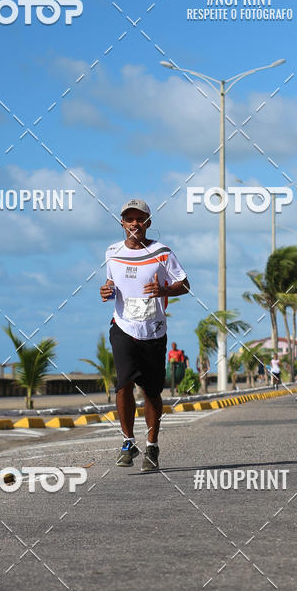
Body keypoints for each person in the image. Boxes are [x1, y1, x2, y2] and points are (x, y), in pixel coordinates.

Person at [100, 199, 190, 471]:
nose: (134, 224)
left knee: (151, 391)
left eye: (140, 219)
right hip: (124, 326)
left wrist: (164, 291)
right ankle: (128, 441)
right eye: (129, 219)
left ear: (148, 223)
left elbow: (184, 284)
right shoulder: (112, 253)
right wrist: (106, 291)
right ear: (122, 223)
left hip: (153, 330)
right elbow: (111, 284)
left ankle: (152, 445)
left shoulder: (162, 252)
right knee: (124, 384)